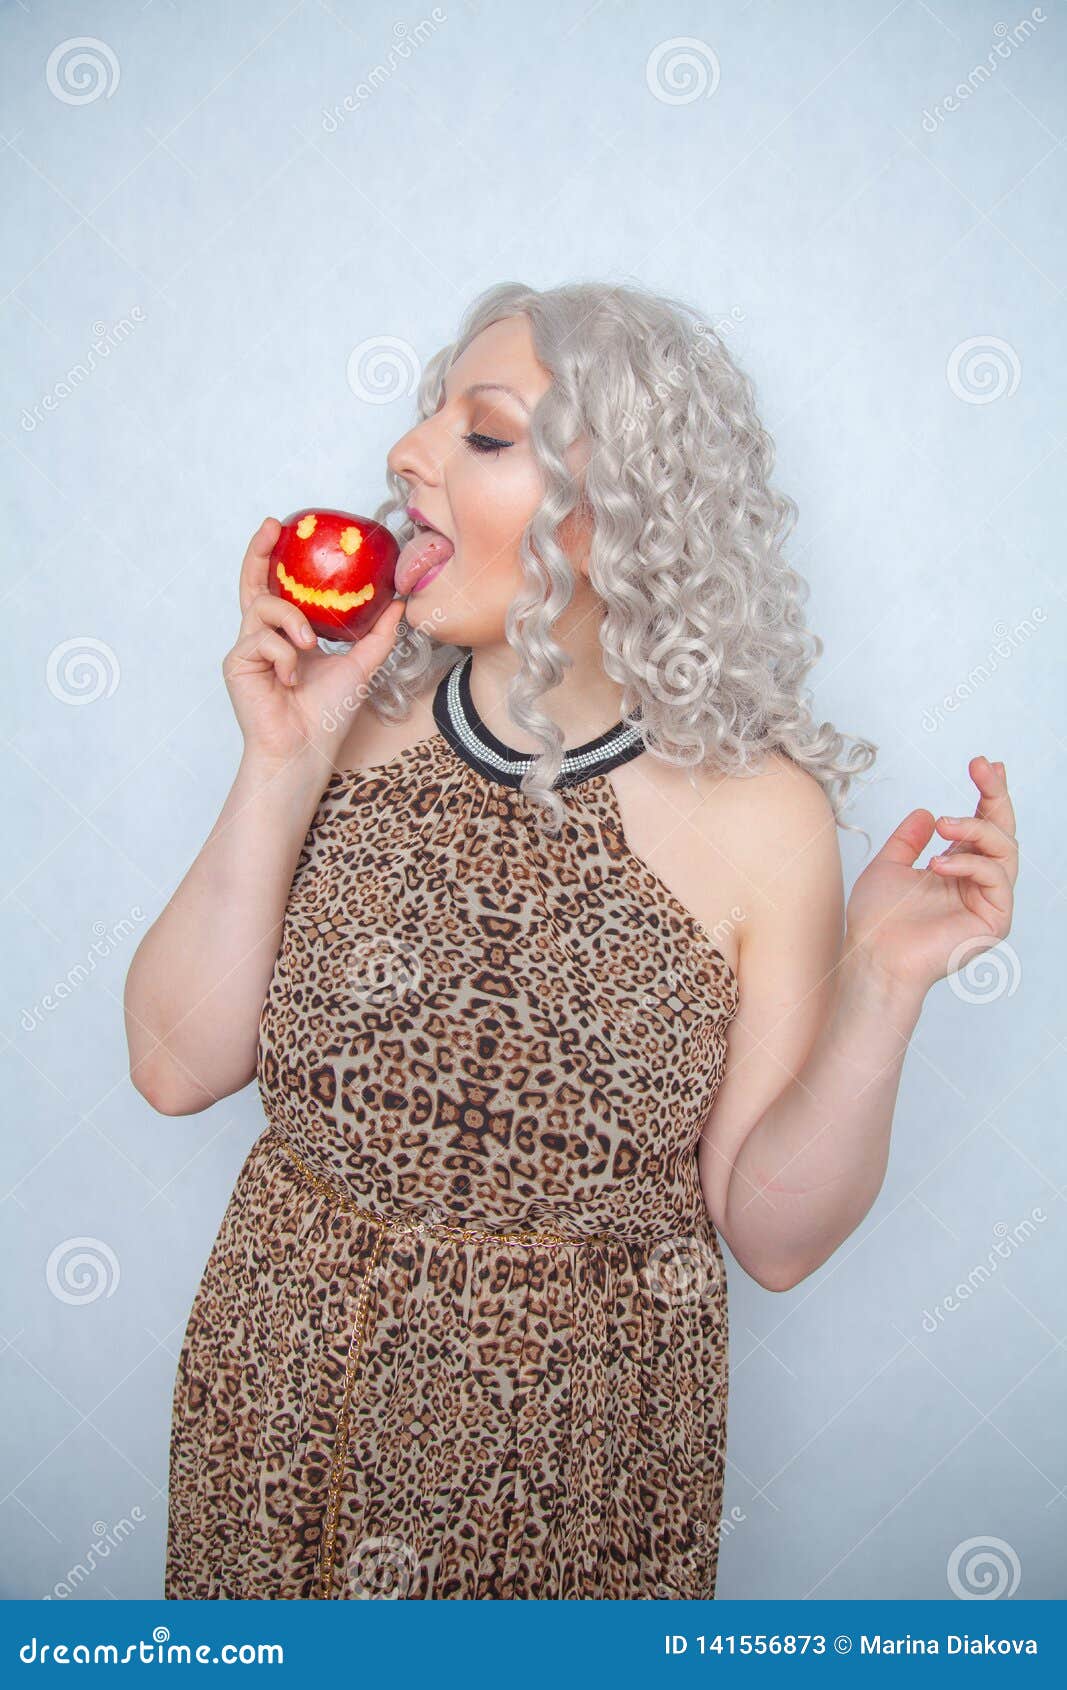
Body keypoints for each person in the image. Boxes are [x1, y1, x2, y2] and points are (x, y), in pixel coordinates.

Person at [125, 281, 1018, 1600]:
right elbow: (173, 1064)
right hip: (279, 1416)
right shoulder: (350, 720)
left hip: (583, 1477)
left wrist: (881, 986)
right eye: (430, 416)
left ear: (615, 520)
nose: (405, 455)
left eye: (483, 434)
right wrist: (282, 757)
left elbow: (769, 1236)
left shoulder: (765, 816)